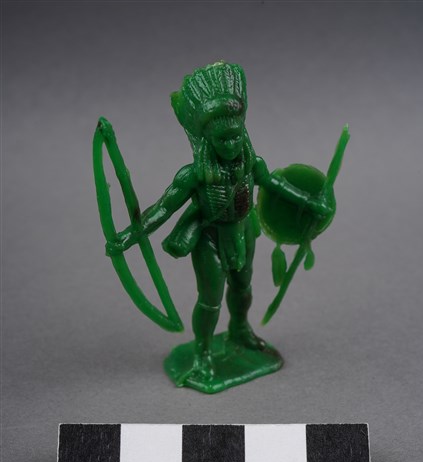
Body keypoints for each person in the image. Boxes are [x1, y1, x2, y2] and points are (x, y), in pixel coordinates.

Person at [107, 62, 332, 384]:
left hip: (244, 230)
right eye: (222, 140)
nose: (230, 145)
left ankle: (240, 329)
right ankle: (202, 353)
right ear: (207, 140)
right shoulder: (194, 175)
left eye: (235, 137)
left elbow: (274, 185)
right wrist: (130, 236)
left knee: (243, 287)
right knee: (210, 300)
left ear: (244, 132)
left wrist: (309, 202)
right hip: (210, 237)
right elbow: (162, 208)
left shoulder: (252, 163)